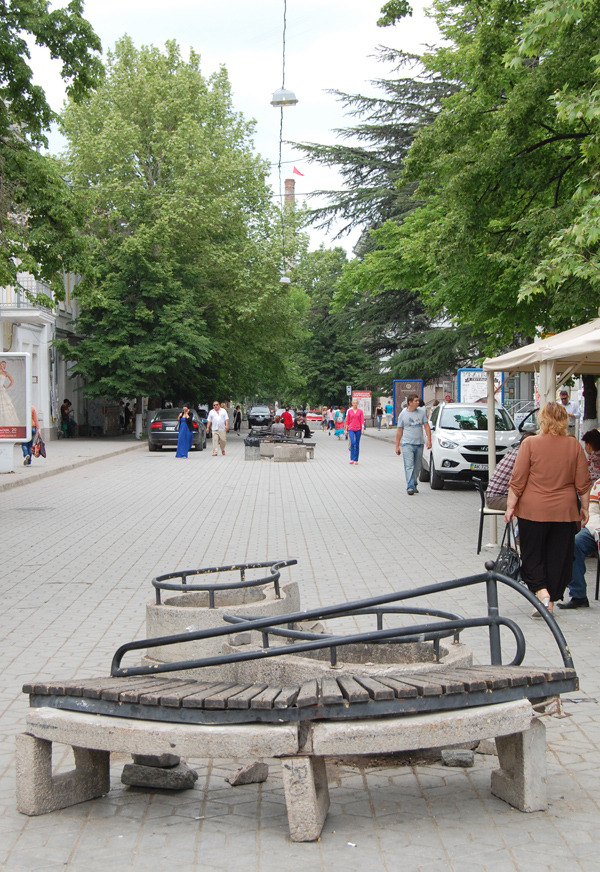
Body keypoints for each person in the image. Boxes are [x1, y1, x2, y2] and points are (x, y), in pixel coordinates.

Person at [505, 402, 591, 615]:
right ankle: (549, 601)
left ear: (542, 419)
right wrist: (585, 509)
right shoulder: (574, 446)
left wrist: (510, 507)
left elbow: (518, 480)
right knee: (558, 557)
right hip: (565, 511)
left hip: (532, 510)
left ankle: (542, 593)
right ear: (564, 420)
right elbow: (583, 483)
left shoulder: (530, 444)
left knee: (533, 554)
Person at [558, 477, 600, 610]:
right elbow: (592, 514)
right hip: (597, 528)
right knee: (574, 544)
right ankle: (578, 596)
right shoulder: (598, 485)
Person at [485, 432, 533, 511]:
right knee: (531, 505)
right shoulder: (521, 455)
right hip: (497, 499)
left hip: (494, 496)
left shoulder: (514, 450)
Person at [395, 393, 431, 495]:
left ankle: (414, 483)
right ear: (410, 402)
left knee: (417, 466)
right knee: (409, 465)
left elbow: (426, 426)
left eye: (418, 401)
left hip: (419, 443)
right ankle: (410, 486)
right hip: (407, 444)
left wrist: (429, 440)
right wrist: (397, 446)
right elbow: (399, 430)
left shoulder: (421, 412)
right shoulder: (403, 414)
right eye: (416, 401)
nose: (418, 402)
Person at [345, 397, 366, 464]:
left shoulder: (360, 411)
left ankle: (356, 459)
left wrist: (362, 428)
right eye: (354, 403)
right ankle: (351, 458)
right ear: (352, 404)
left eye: (356, 403)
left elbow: (362, 420)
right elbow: (347, 421)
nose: (355, 404)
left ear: (357, 404)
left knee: (357, 444)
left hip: (358, 428)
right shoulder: (349, 411)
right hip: (351, 428)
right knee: (352, 442)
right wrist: (346, 429)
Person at [0, 360, 20, 426]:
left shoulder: (5, 373)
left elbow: (12, 381)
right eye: (2, 365)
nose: (3, 366)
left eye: (4, 365)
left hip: (2, 391)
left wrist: (6, 388)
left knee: (5, 406)